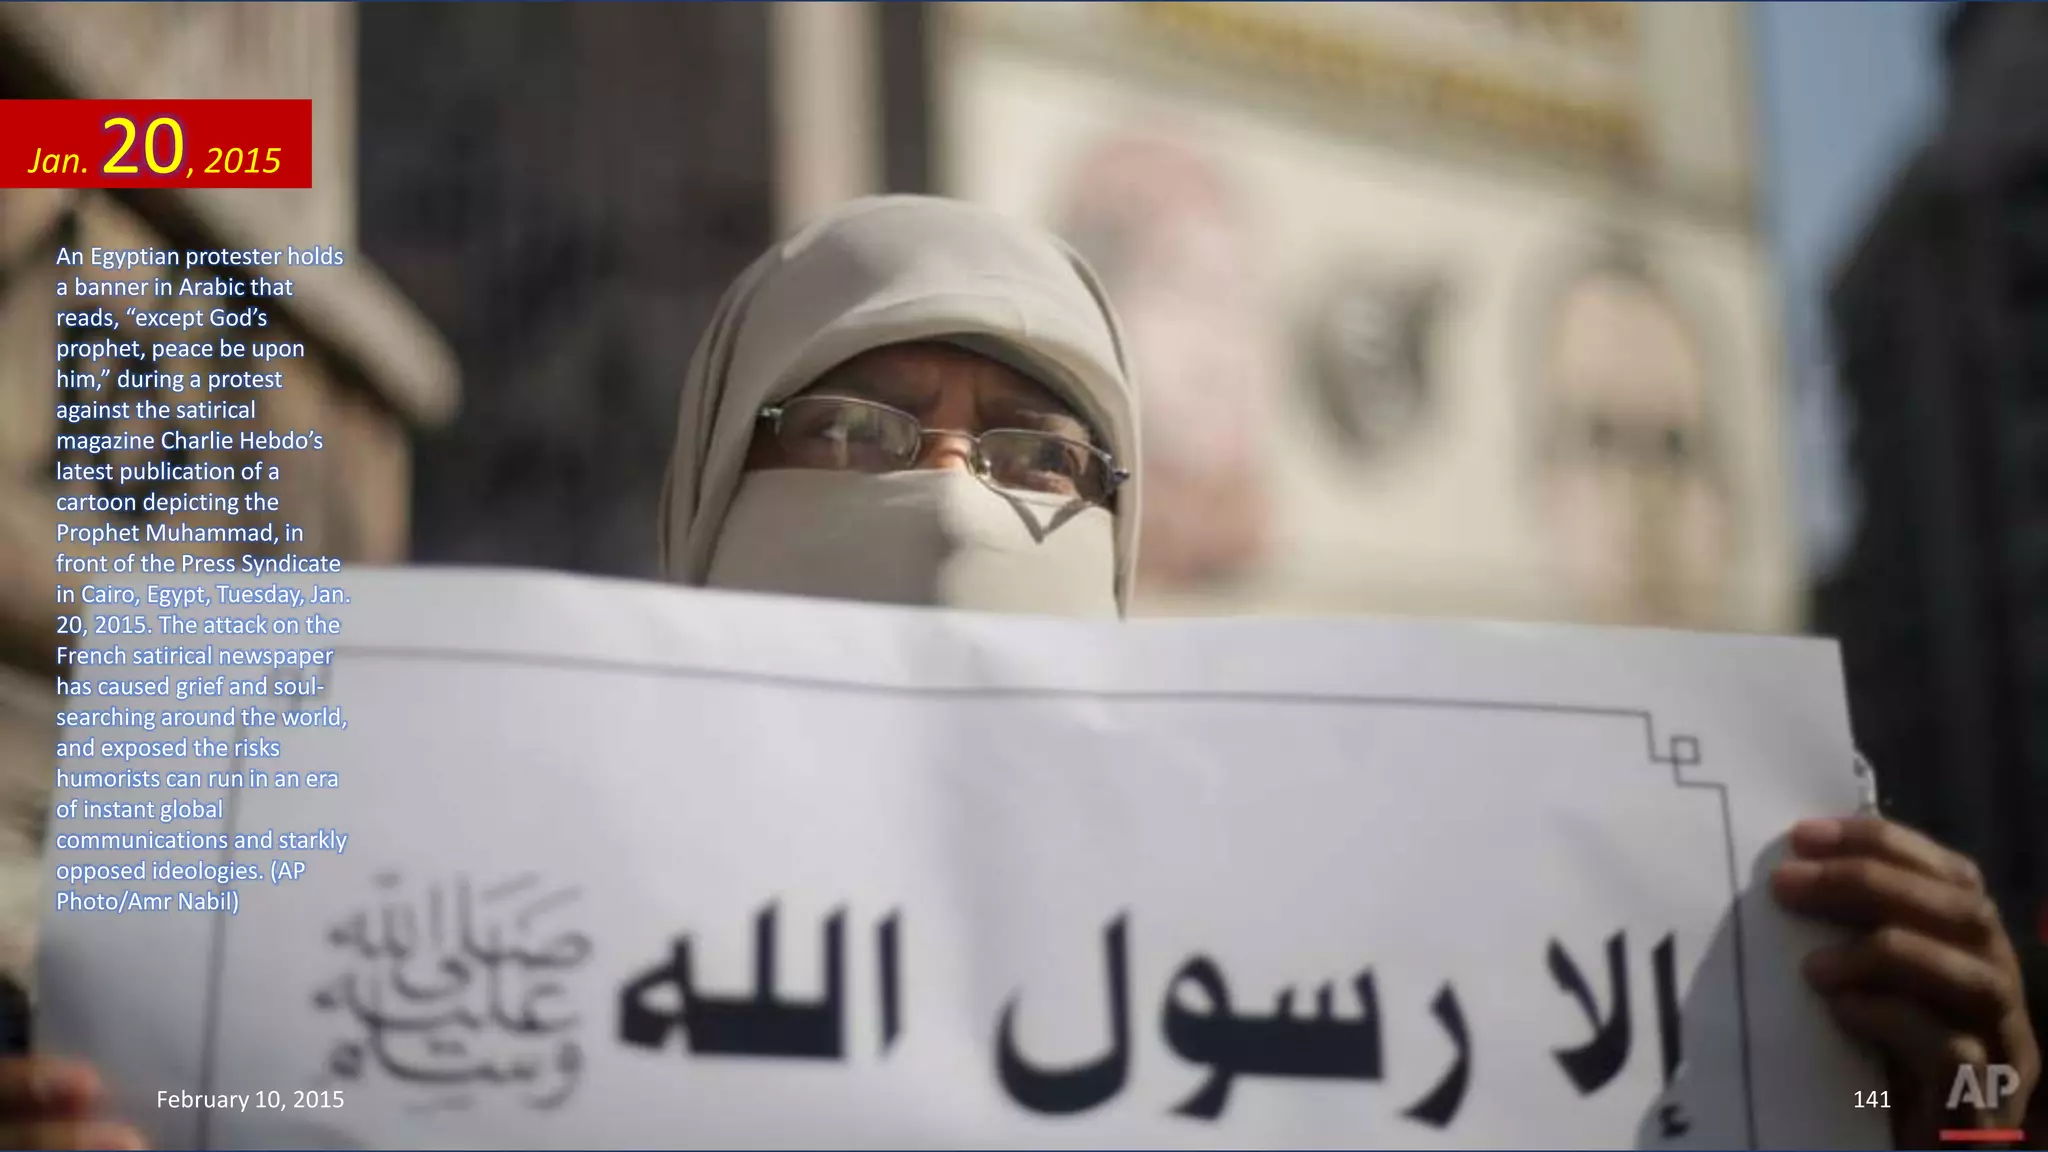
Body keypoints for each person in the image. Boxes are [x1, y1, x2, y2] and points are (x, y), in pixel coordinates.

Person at [4, 196, 2034, 1148]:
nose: (960, 499)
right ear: (708, 482)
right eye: (856, 428)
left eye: (1048, 452)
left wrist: (1956, 1107)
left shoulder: (1306, 1012)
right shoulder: (388, 913)